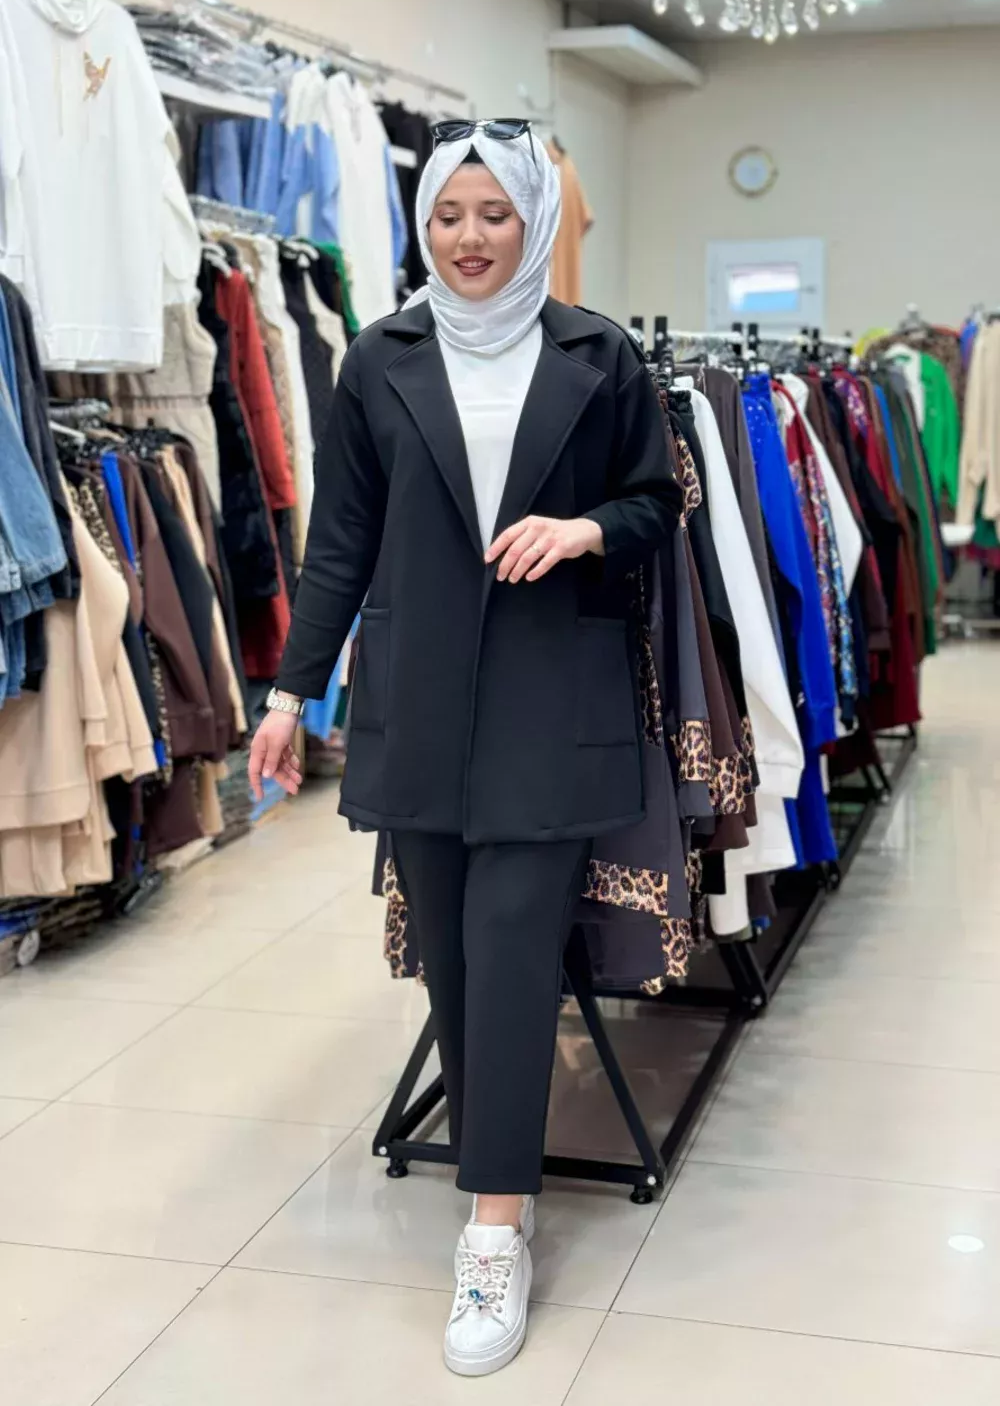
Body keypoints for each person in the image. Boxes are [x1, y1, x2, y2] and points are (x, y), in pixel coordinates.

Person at [249, 119, 681, 1377]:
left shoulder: (597, 354)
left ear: (534, 220)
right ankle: (502, 1165)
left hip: (552, 694)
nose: (471, 238)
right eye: (449, 215)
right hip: (420, 697)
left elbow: (657, 503)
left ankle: (494, 1225)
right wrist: (288, 691)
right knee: (449, 961)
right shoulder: (378, 357)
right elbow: (340, 540)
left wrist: (584, 530)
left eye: (496, 214)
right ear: (423, 222)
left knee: (509, 955)